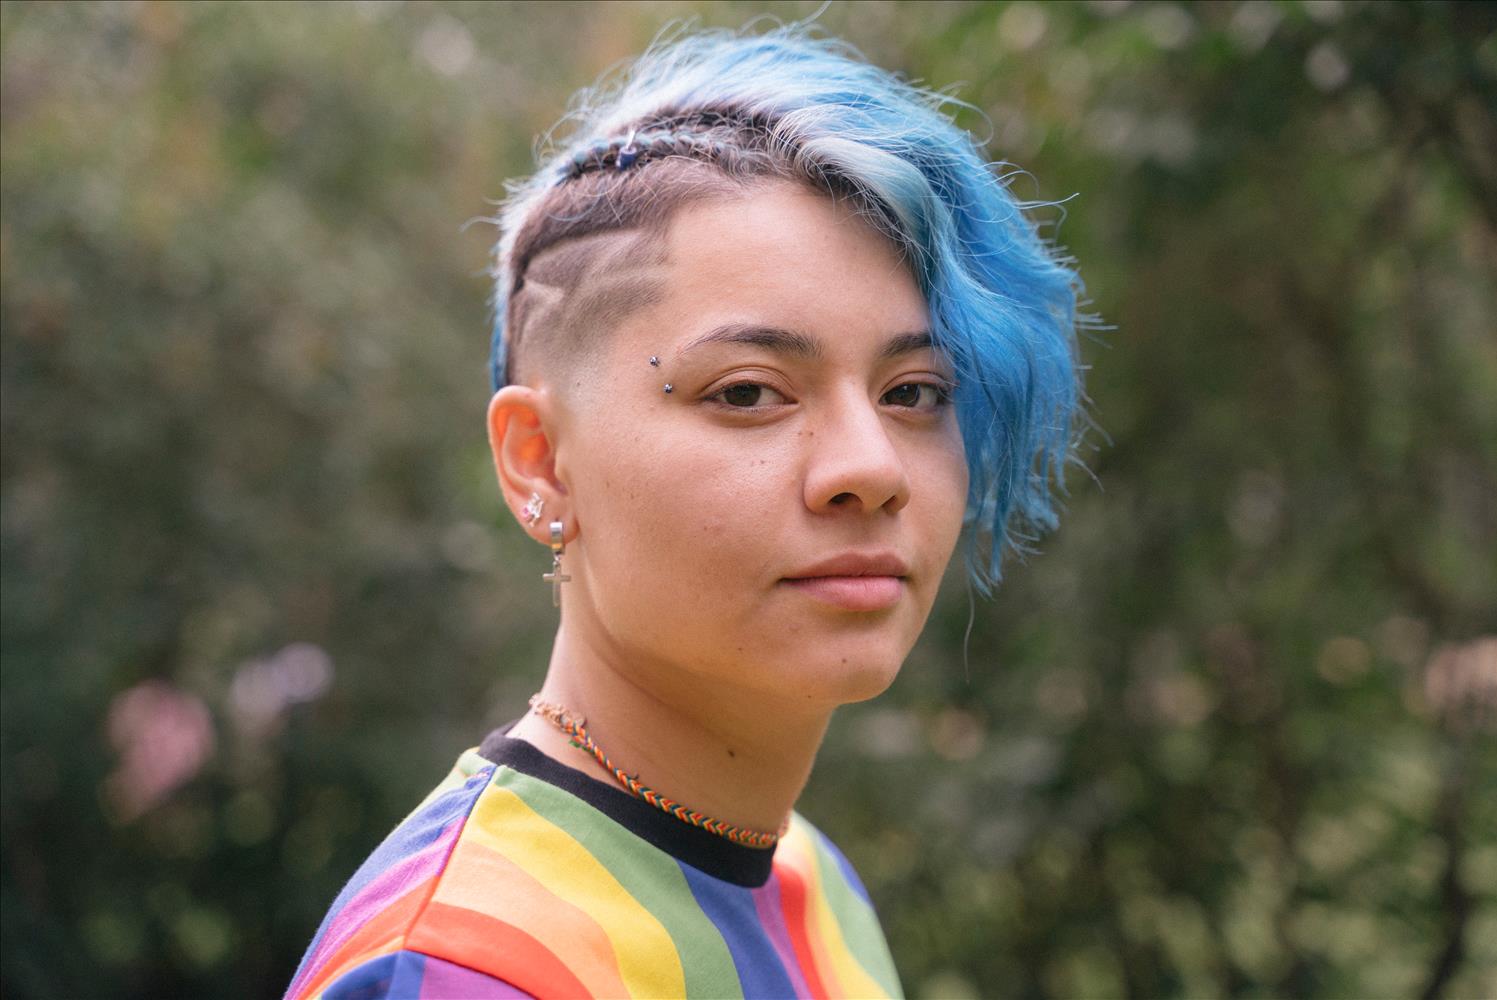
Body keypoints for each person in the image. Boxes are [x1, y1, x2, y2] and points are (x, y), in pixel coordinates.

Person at [285, 19, 1084, 1000]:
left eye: (913, 392)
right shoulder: (466, 964)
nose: (871, 467)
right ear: (541, 463)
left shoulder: (810, 882)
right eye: (748, 392)